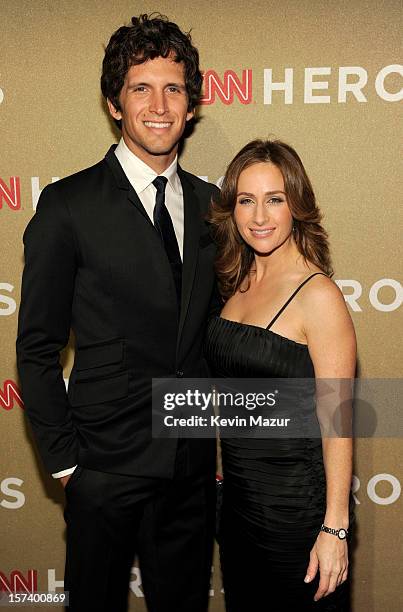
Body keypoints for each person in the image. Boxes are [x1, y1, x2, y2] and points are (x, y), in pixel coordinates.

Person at [16, 14, 219, 612]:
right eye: (141, 88)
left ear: (191, 103)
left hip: (189, 466)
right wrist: (66, 465)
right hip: (102, 466)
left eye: (174, 88)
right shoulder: (67, 205)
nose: (159, 105)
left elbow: (213, 335)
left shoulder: (214, 206)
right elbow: (36, 346)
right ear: (113, 102)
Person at [205, 139, 356, 611]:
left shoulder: (318, 295)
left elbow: (339, 422)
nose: (259, 216)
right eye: (246, 201)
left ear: (297, 206)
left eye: (275, 199)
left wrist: (334, 528)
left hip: (298, 515)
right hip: (239, 509)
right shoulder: (236, 282)